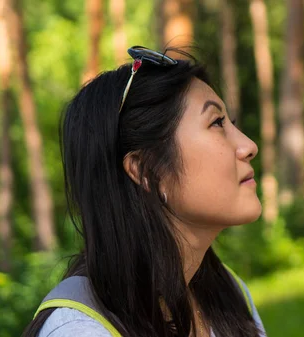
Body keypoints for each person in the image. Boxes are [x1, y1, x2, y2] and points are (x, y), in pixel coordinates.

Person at [22, 46, 266, 337]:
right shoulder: (80, 330)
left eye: (231, 123)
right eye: (216, 123)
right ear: (146, 170)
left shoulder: (227, 291)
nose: (249, 146)